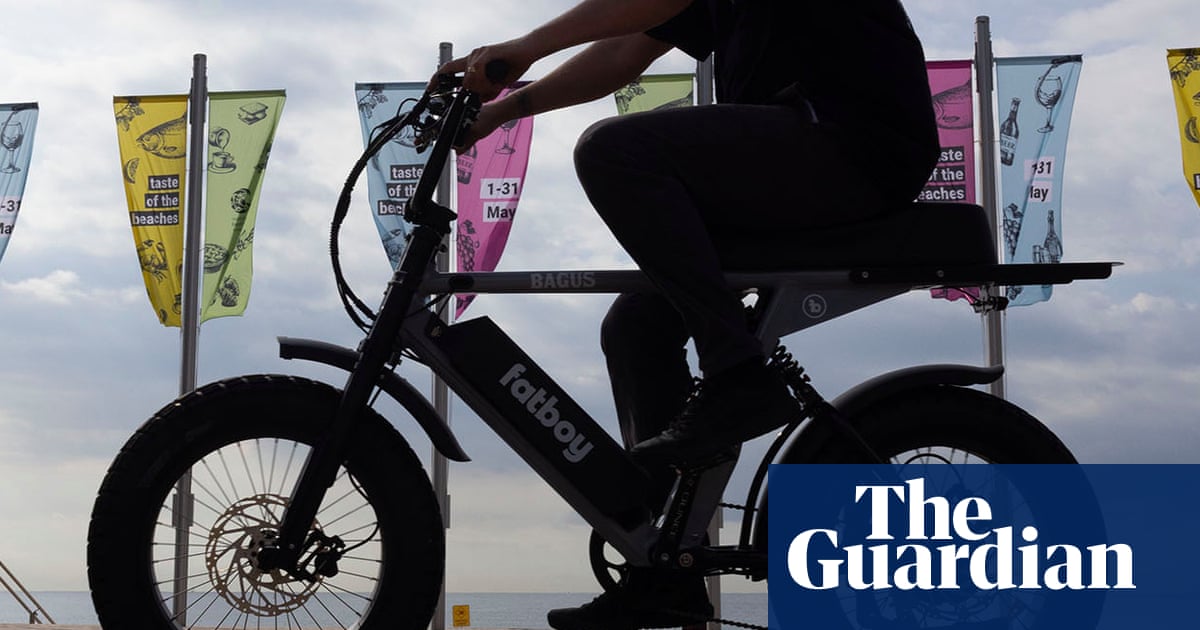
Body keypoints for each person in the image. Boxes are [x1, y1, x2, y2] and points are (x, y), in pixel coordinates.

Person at [437, 0, 939, 628]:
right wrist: (499, 113)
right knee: (637, 326)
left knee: (616, 151)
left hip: (852, 144)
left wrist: (526, 47)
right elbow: (624, 50)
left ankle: (739, 378)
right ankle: (668, 562)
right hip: (794, 159)